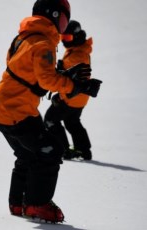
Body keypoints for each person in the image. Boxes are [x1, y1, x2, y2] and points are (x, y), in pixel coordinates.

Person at [0, 0, 102, 223]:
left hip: (5, 108)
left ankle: (18, 202)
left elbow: (27, 69)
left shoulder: (25, 37)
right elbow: (47, 80)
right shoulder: (43, 43)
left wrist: (64, 74)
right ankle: (37, 204)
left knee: (27, 154)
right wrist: (77, 86)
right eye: (62, 19)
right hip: (16, 111)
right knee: (51, 151)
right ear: (52, 15)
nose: (63, 26)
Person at [44, 20, 94, 160]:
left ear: (76, 37)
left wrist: (60, 97)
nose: (65, 41)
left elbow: (72, 81)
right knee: (72, 122)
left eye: (68, 38)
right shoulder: (78, 49)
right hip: (80, 97)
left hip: (71, 97)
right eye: (63, 38)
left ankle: (63, 150)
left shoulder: (77, 55)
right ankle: (84, 150)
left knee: (50, 120)